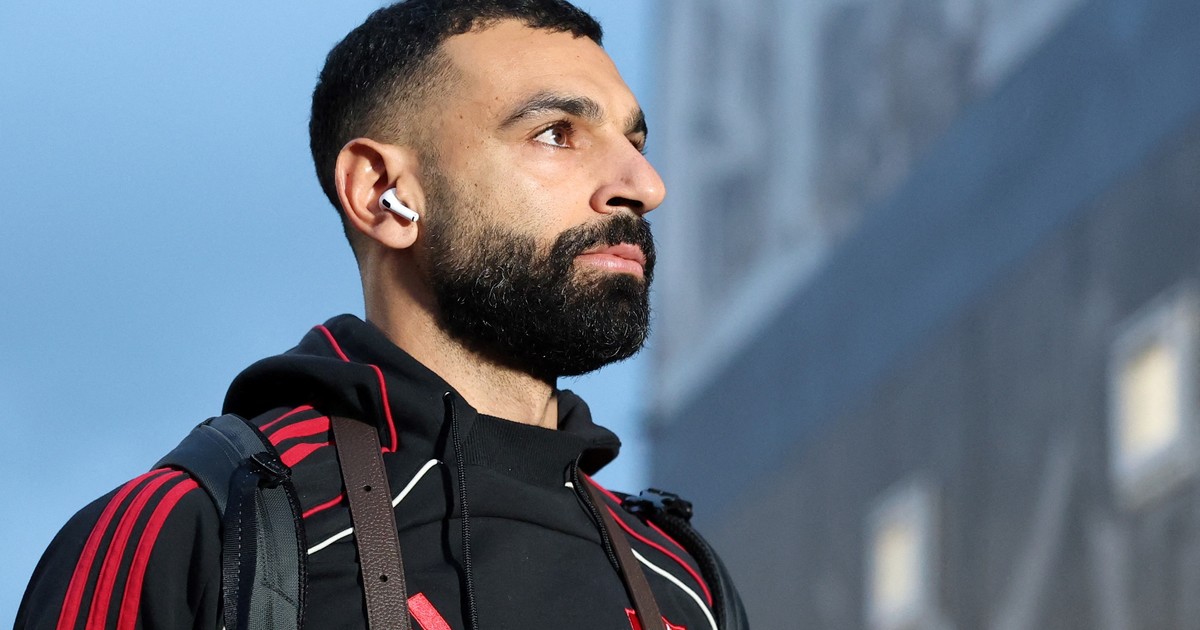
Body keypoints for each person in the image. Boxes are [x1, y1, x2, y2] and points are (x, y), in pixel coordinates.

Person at [17, 1, 743, 628]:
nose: (645, 186)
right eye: (556, 132)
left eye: (635, 142)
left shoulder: (684, 579)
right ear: (382, 194)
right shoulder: (196, 530)